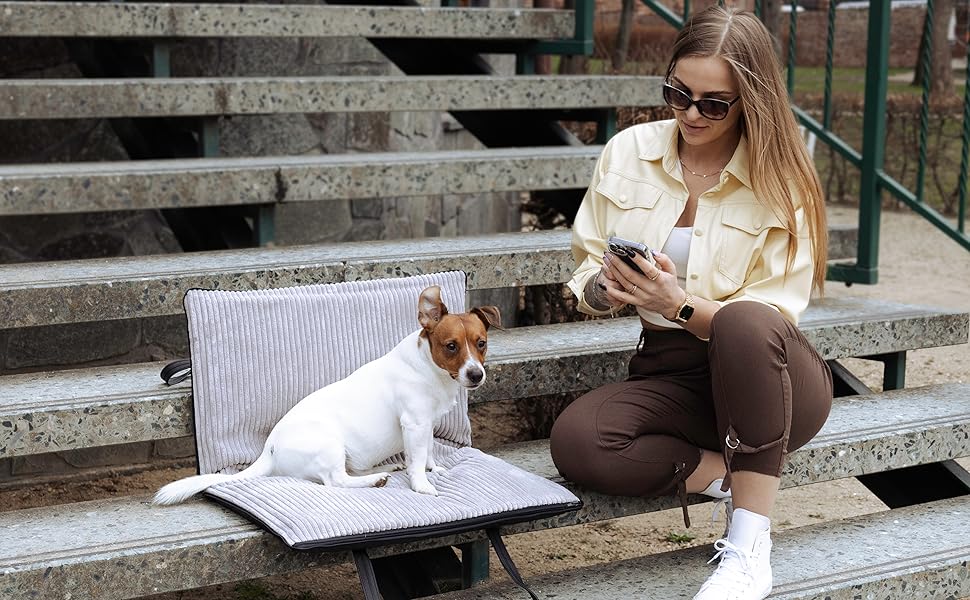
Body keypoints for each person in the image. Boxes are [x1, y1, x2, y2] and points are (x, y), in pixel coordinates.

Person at [549, 6, 833, 600]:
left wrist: (680, 304)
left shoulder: (783, 180)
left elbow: (771, 320)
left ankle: (750, 548)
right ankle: (736, 478)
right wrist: (606, 289)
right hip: (673, 371)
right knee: (579, 440)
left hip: (770, 377)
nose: (690, 113)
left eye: (713, 103)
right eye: (678, 93)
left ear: (751, 100)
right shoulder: (629, 152)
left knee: (744, 322)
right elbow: (585, 262)